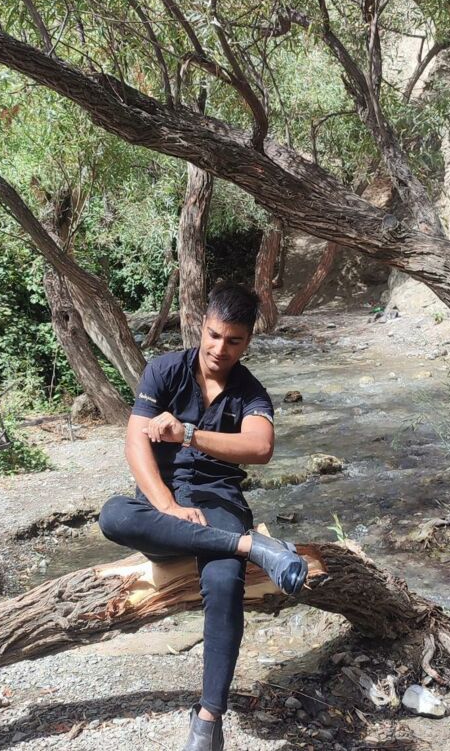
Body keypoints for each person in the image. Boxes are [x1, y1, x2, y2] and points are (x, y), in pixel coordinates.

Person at [99, 282, 307, 751]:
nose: (220, 349)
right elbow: (135, 442)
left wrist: (189, 434)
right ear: (201, 326)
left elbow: (261, 447)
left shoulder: (250, 391)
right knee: (113, 515)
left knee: (224, 580)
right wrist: (166, 505)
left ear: (248, 341)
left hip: (220, 500)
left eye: (234, 340)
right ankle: (252, 546)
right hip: (162, 502)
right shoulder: (164, 370)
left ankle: (209, 719)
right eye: (214, 335)